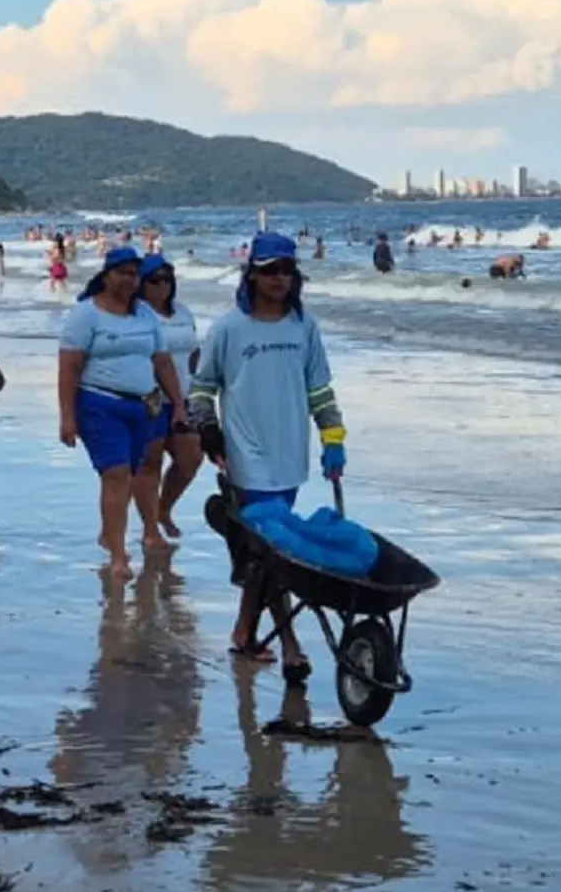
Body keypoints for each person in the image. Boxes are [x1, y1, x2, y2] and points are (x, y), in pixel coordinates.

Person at [189, 232, 347, 675]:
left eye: (287, 270)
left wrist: (333, 441)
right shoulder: (228, 329)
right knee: (274, 553)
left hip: (289, 455)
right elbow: (201, 389)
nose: (279, 278)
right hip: (245, 454)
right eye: (270, 270)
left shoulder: (304, 326)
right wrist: (209, 431)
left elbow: (320, 390)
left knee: (265, 557)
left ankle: (243, 631)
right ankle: (291, 646)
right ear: (252, 275)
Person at [58, 246, 186, 581]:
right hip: (99, 403)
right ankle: (118, 554)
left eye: (134, 274)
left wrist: (179, 403)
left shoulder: (145, 315)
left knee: (133, 473)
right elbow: (70, 366)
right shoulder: (87, 315)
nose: (129, 280)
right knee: (115, 474)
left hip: (144, 404)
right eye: (122, 273)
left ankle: (109, 532)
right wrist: (67, 416)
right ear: (107, 274)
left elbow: (161, 361)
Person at [131, 255, 202, 544]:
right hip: (152, 398)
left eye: (167, 279)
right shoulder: (136, 314)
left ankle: (163, 509)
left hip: (185, 396)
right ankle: (149, 528)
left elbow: (194, 349)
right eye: (154, 280)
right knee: (151, 462)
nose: (162, 285)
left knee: (191, 458)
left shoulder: (183, 312)